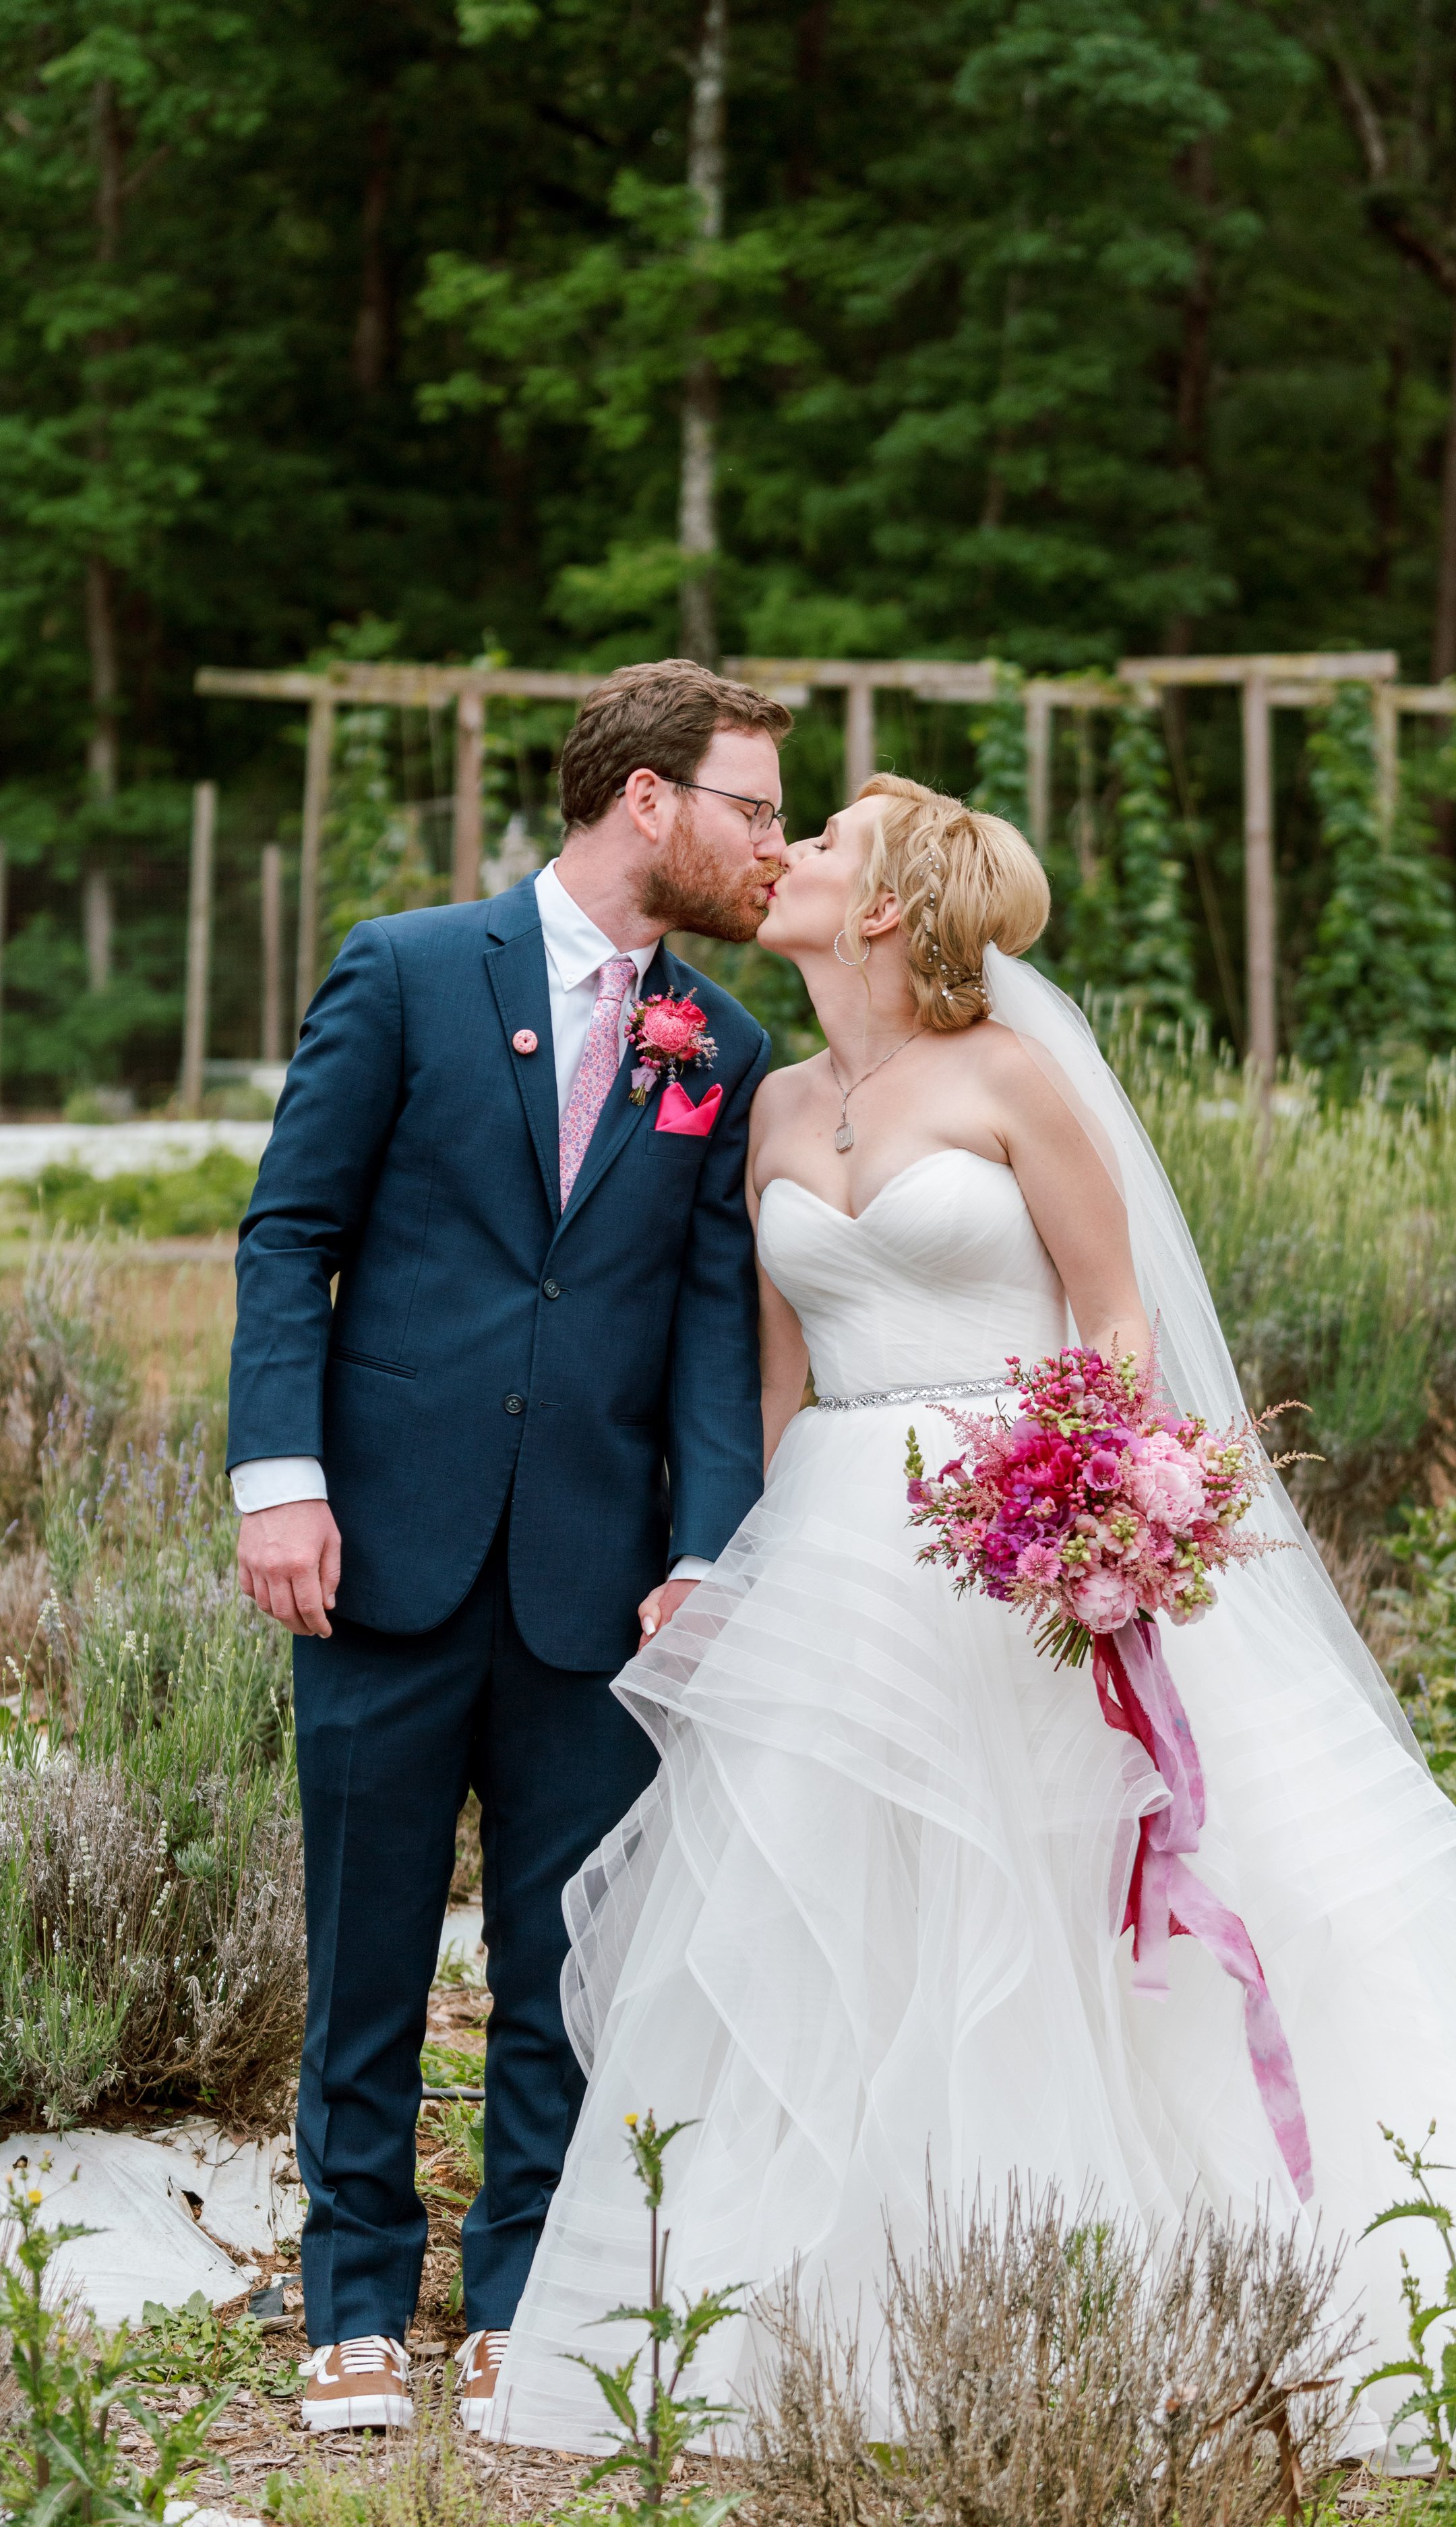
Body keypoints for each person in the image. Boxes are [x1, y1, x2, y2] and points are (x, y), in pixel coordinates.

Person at [491, 771, 1456, 2462]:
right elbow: (775, 1387)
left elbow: (1114, 1313)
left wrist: (1087, 1506)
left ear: (884, 906)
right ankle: (837, 2323)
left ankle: (1151, 2294)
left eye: (822, 844)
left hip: (1028, 1539)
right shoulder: (777, 1104)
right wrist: (723, 1564)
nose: (787, 854)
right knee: (838, 1918)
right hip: (840, 1558)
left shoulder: (1009, 1076)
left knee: (1058, 1909)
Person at [226, 658, 793, 2435]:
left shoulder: (727, 1042)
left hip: (593, 1580)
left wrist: (709, 1548)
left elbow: (713, 1327)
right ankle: (355, 2292)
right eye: (753, 806)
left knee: (561, 1961)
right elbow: (286, 1233)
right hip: (379, 1545)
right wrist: (277, 1477)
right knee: (370, 1937)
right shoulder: (405, 969)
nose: (773, 842)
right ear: (650, 799)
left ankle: (529, 2288)